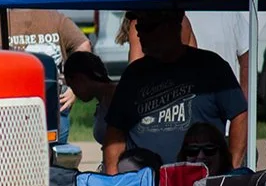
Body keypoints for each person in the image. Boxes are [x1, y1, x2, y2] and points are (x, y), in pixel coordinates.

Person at [103, 9, 247, 174]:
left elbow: (239, 114)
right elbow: (114, 134)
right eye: (138, 27)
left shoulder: (211, 66)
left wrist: (231, 169)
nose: (139, 33)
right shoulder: (133, 74)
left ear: (171, 27)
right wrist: (114, 181)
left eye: (147, 27)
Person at [0, 9, 90, 144]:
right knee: (56, 157)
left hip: (11, 108)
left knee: (14, 155)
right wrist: (74, 87)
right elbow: (84, 45)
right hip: (53, 104)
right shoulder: (57, 19)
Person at [185, 11, 251, 99]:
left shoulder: (230, 12)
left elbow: (247, 60)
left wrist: (244, 101)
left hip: (226, 96)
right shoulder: (181, 13)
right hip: (196, 99)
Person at [63, 51, 116, 145]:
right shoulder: (104, 101)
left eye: (71, 85)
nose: (74, 92)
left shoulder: (115, 100)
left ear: (80, 78)